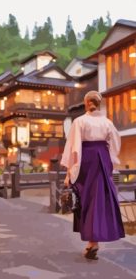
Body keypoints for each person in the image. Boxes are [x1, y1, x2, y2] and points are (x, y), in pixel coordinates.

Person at [60, 90, 125, 260]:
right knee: (100, 201)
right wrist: (109, 159)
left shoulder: (79, 121)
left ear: (86, 102)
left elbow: (74, 148)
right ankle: (94, 241)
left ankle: (92, 242)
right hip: (102, 160)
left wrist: (69, 172)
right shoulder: (107, 123)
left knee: (87, 200)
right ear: (99, 103)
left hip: (85, 161)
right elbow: (115, 144)